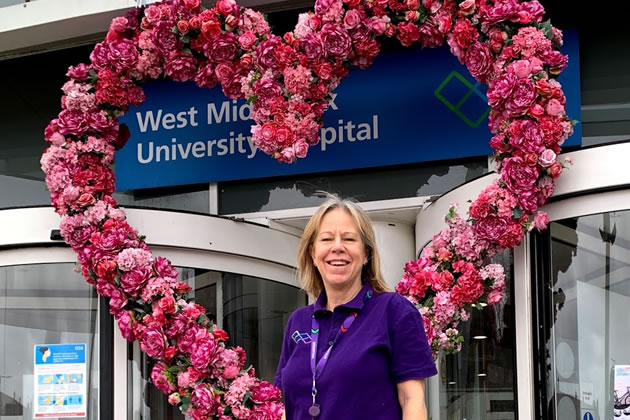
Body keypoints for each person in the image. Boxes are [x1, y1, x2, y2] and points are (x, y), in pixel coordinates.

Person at [275, 194, 437, 420]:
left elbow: (412, 401)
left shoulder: (394, 311)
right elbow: (289, 408)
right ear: (312, 253)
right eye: (327, 239)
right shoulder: (298, 321)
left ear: (366, 254)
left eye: (349, 239)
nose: (337, 247)